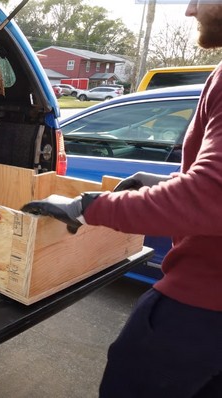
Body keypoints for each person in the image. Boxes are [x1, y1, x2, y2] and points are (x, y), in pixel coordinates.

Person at [21, 1, 222, 397]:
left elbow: (212, 195)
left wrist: (87, 206)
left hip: (201, 312)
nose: (189, 9)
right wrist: (166, 182)